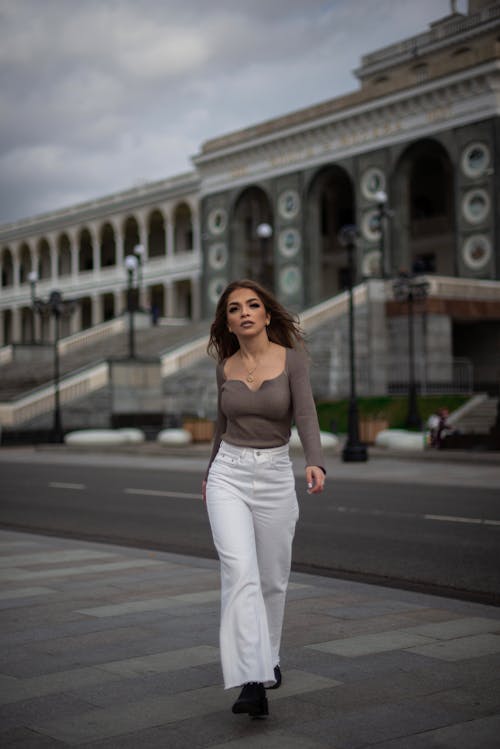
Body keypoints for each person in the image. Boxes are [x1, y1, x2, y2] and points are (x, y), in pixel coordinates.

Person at [202, 279, 325, 718]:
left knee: (272, 578)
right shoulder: (225, 367)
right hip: (228, 475)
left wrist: (315, 460)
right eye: (235, 308)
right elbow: (221, 425)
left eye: (253, 305)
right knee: (240, 572)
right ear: (229, 322)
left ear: (267, 315)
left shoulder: (292, 361)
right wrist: (209, 471)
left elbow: (306, 414)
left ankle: (268, 658)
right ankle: (251, 680)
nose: (245, 312)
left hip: (275, 473)